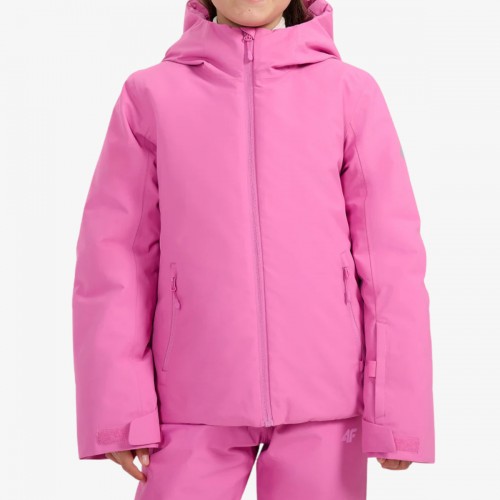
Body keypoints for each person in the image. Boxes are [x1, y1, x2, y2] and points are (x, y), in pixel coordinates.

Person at [72, 1, 435, 498]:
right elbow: (115, 259)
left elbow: (392, 259)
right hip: (190, 401)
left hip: (327, 402)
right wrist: (119, 409)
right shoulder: (151, 95)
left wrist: (398, 411)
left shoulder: (349, 92)